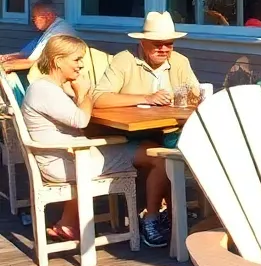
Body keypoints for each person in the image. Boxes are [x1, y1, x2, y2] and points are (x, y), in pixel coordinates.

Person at [21, 35, 171, 247]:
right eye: (76, 60)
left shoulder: (46, 87)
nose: (81, 65)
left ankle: (67, 223)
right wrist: (84, 94)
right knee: (157, 155)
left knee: (145, 148)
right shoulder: (44, 90)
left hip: (64, 157)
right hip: (66, 162)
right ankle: (152, 219)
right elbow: (81, 120)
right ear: (57, 61)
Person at [94, 12, 201, 108]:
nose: (164, 49)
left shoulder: (180, 61)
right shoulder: (125, 60)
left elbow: (196, 95)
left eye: (169, 44)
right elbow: (98, 99)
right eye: (157, 44)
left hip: (172, 125)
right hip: (133, 127)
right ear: (143, 43)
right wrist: (147, 99)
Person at [0, 0, 76, 66]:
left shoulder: (56, 33)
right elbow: (26, 53)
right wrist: (5, 57)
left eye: (34, 18)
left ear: (48, 16)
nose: (33, 21)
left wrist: (5, 66)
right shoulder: (48, 29)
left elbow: (31, 62)